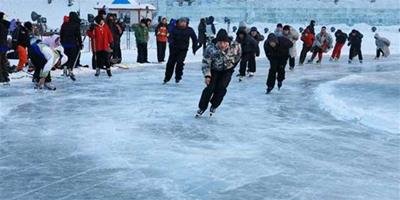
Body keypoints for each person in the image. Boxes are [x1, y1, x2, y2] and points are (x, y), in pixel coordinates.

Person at [196, 29, 241, 117]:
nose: (222, 45)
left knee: (222, 87)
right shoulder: (210, 48)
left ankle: (214, 105)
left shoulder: (235, 46)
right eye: (220, 43)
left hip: (227, 70)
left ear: (228, 42)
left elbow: (238, 56)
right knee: (210, 88)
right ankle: (202, 107)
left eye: (224, 43)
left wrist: (232, 65)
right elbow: (206, 62)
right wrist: (207, 75)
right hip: (214, 70)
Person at [163, 17, 199, 84]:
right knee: (170, 63)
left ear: (186, 23)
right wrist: (171, 43)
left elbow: (194, 39)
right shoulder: (174, 29)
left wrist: (194, 48)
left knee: (180, 62)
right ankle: (167, 78)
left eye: (184, 22)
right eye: (181, 22)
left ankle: (178, 77)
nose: (183, 24)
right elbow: (170, 37)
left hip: (183, 49)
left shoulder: (189, 30)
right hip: (174, 49)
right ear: (178, 23)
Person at [60, 11, 82, 81]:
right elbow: (78, 35)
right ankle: (70, 69)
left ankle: (65, 68)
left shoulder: (64, 24)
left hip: (65, 44)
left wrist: (62, 41)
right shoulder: (76, 25)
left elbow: (61, 34)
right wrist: (80, 43)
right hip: (72, 44)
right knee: (72, 57)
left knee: (65, 57)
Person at [0, 12, 11, 84]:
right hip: (4, 46)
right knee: (3, 61)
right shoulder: (5, 25)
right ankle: (6, 77)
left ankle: (1, 78)